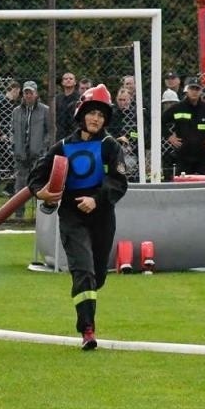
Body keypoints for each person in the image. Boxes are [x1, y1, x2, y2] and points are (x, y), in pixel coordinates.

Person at [29, 85, 128, 351]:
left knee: (97, 276)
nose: (96, 119)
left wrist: (96, 199)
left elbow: (119, 182)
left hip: (102, 215)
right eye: (92, 113)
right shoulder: (61, 148)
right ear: (81, 114)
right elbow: (36, 179)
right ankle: (87, 329)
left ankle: (88, 311)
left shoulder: (110, 147)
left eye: (101, 115)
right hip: (72, 217)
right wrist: (43, 194)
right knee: (83, 271)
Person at [162, 79, 205, 177]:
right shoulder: (178, 108)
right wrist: (169, 137)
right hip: (183, 154)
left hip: (202, 154)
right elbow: (161, 121)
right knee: (182, 183)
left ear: (201, 91)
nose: (194, 91)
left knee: (204, 182)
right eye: (192, 88)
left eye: (197, 89)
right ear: (187, 90)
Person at [10, 81, 50, 201]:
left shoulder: (45, 110)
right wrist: (14, 146)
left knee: (39, 183)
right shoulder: (16, 111)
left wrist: (43, 146)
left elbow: (50, 131)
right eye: (26, 93)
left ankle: (40, 213)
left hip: (38, 153)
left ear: (36, 94)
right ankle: (18, 214)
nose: (28, 95)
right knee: (20, 185)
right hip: (21, 153)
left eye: (30, 93)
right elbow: (12, 131)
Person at [53, 71, 81, 141]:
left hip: (75, 133)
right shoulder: (57, 98)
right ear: (62, 82)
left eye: (71, 79)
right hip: (60, 134)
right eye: (65, 79)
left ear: (75, 82)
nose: (68, 80)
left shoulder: (80, 98)